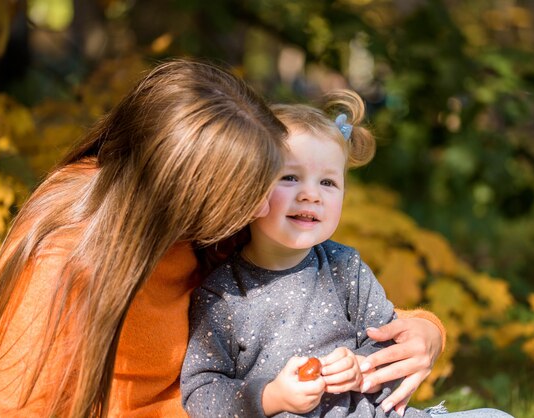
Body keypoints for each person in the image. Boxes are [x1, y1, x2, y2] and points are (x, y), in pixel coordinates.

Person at [0, 59, 443, 417]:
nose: (263, 210)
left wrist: (425, 331)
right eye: (251, 193)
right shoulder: (63, 261)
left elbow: (310, 303)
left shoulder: (208, 228)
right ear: (186, 190)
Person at [180, 91, 514, 418]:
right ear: (251, 187)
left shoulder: (345, 267)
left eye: (328, 183)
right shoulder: (223, 294)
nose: (311, 195)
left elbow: (389, 344)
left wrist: (361, 367)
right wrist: (272, 397)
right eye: (291, 177)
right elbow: (200, 393)